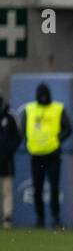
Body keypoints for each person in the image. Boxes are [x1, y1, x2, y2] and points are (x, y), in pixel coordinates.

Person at [20, 83, 73, 229]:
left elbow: (68, 128)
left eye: (45, 94)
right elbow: (23, 129)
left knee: (54, 187)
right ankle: (40, 219)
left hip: (53, 155)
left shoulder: (58, 108)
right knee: (37, 188)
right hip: (36, 155)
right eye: (41, 94)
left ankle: (56, 218)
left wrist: (58, 139)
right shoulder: (29, 109)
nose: (43, 97)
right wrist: (28, 141)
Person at [0, 94, 18, 228]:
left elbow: (17, 138)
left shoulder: (10, 118)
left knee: (7, 190)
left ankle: (7, 218)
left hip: (6, 161)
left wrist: (8, 151)